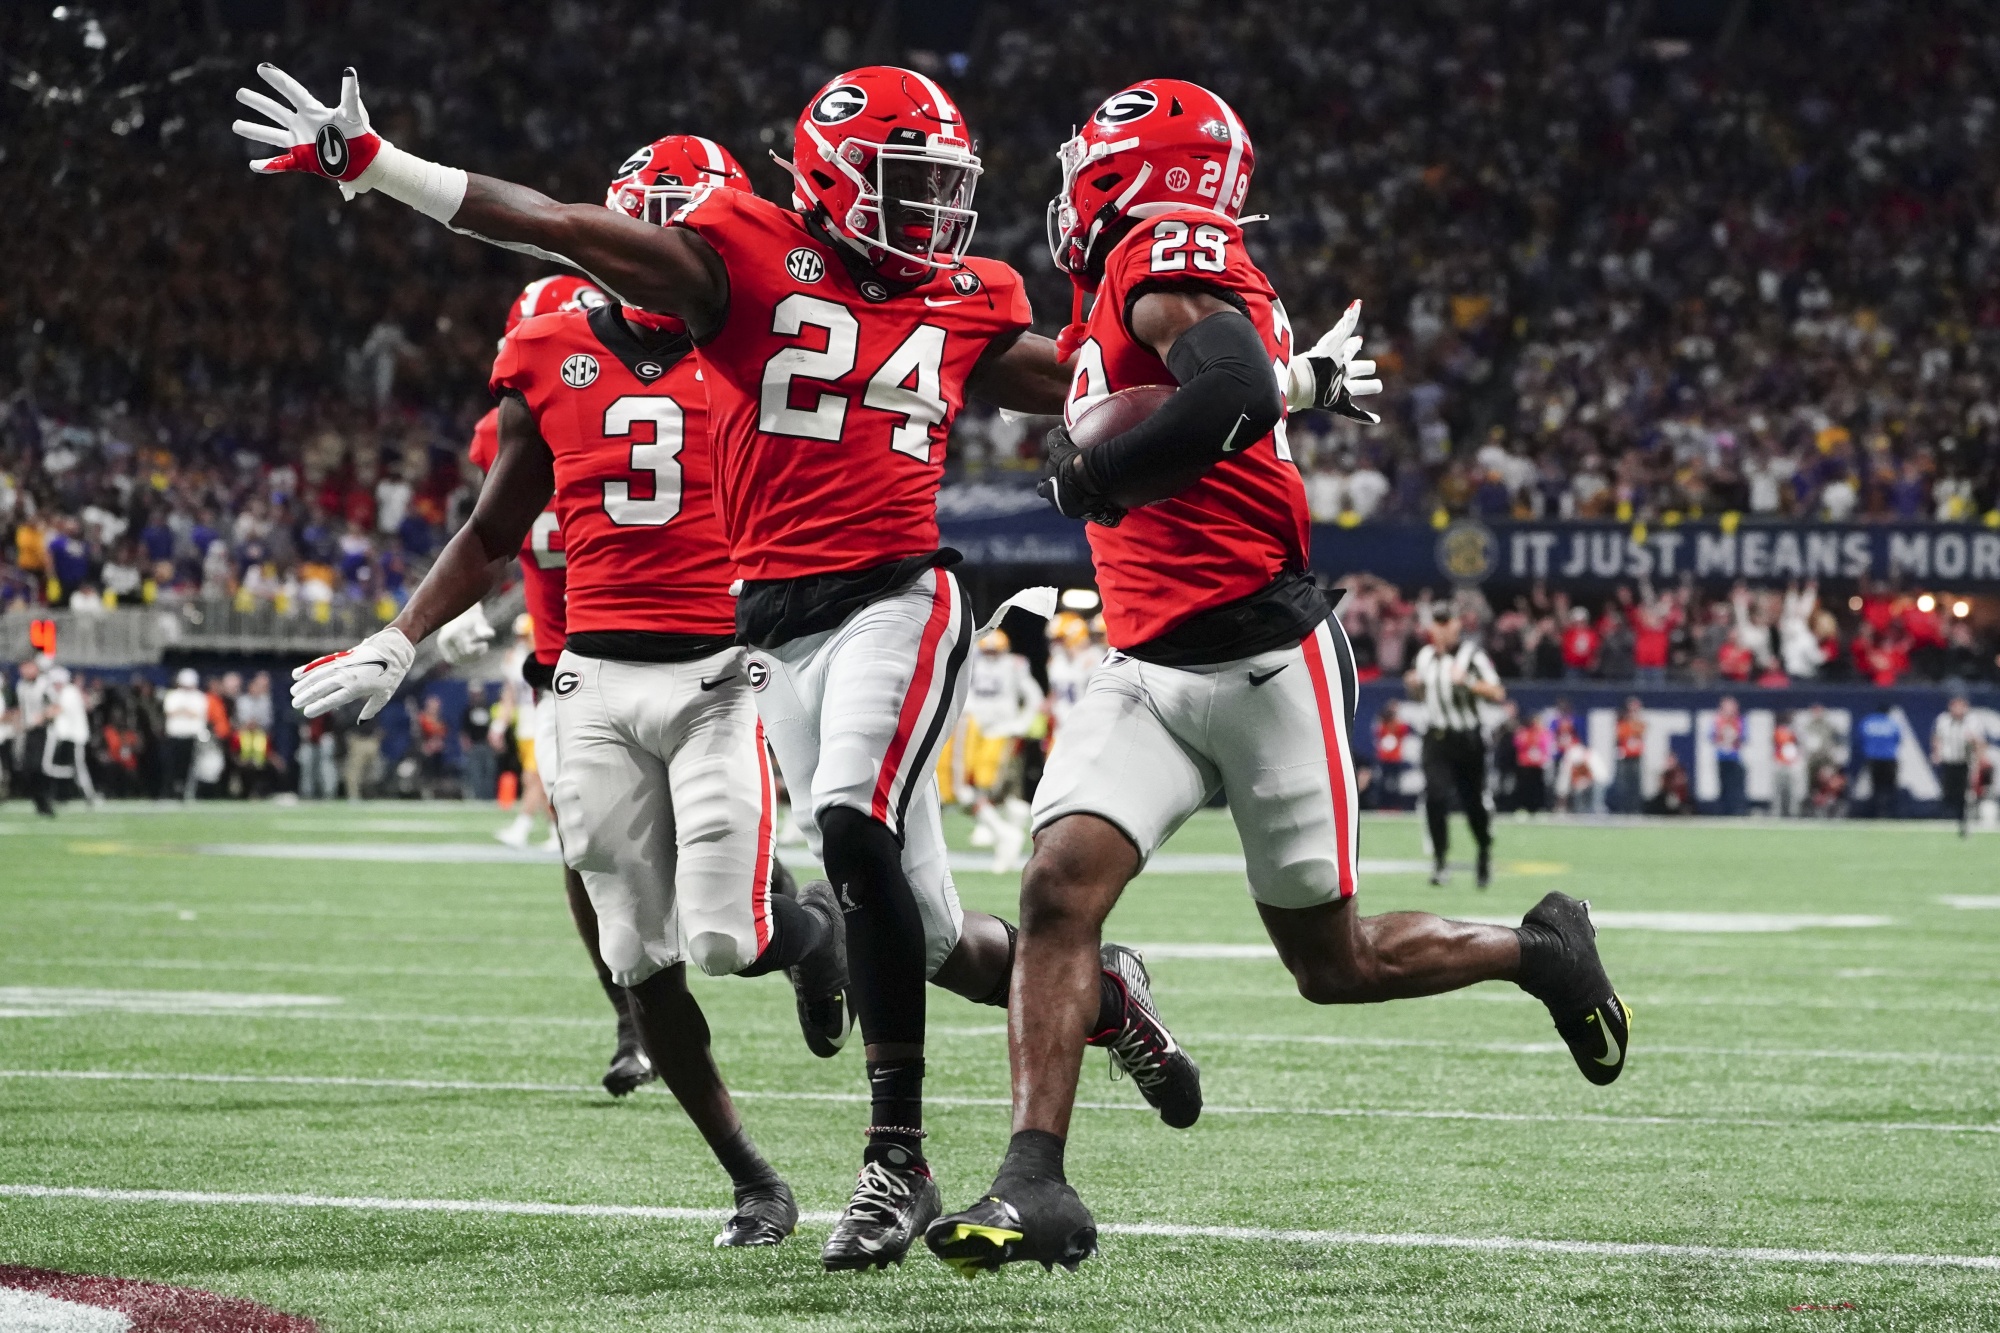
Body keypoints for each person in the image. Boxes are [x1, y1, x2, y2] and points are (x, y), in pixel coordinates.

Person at [235, 62, 1205, 1269]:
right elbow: (548, 222)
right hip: (773, 625)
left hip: (902, 590)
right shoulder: (739, 256)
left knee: (848, 827)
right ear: (828, 178)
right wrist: (379, 165)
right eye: (908, 187)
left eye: (944, 188)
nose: (935, 214)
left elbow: (1096, 381)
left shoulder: (963, 293)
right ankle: (1107, 997)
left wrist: (1272, 373)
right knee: (938, 934)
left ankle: (891, 1162)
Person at [924, 81, 1627, 1276]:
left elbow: (1232, 389)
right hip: (1144, 663)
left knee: (1331, 964)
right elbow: (1240, 386)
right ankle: (1031, 1180)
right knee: (1055, 889)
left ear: (1123, 169)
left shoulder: (1160, 246)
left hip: (1262, 660)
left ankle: (1539, 951)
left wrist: (1096, 479)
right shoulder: (1123, 289)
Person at [1409, 608, 1506, 885]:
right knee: (1435, 797)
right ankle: (1440, 862)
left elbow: (1498, 692)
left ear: (1456, 625)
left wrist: (1469, 682)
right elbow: (1420, 694)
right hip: (1437, 737)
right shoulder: (1425, 656)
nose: (1439, 628)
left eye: (1445, 622)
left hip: (1468, 740)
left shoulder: (1472, 656)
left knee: (1473, 802)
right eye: (1436, 622)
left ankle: (1484, 851)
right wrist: (1413, 685)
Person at [941, 628, 1043, 872]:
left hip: (996, 729)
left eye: (995, 653)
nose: (990, 657)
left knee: (972, 787)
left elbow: (1034, 697)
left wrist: (1021, 724)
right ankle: (999, 828)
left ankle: (1000, 830)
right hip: (972, 727)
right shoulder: (971, 663)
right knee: (962, 789)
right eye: (987, 652)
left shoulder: (1014, 665)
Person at [1931, 694, 1981, 837]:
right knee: (1947, 791)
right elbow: (1936, 737)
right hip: (1949, 761)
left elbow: (1978, 742)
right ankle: (1947, 819)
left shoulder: (1972, 721)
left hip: (1965, 762)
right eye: (1955, 706)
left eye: (1961, 706)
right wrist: (1936, 752)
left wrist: (1977, 757)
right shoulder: (1943, 720)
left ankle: (1964, 821)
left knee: (1965, 794)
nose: (1957, 710)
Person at [161, 667, 209, 803]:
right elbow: (170, 712)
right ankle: (168, 793)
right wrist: (187, 712)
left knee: (189, 768)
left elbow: (197, 714)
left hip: (192, 736)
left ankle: (187, 794)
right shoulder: (173, 696)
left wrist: (183, 711)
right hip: (175, 735)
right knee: (171, 766)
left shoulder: (199, 697)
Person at [1857, 706, 1902, 819]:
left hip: (1872, 758)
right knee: (1889, 787)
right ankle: (1889, 812)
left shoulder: (1868, 721)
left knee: (1875, 787)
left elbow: (1860, 738)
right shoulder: (1891, 722)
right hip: (1889, 758)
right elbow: (1898, 739)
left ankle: (1876, 812)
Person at [459, 682, 498, 800]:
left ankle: (489, 797)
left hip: (487, 745)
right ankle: (478, 797)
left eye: (478, 694)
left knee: (489, 772)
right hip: (475, 745)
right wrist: (466, 745)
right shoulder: (467, 710)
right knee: (476, 773)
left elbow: (494, 727)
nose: (476, 696)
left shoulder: (489, 708)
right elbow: (464, 731)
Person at [1511, 709, 1551, 816]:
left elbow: (1546, 747)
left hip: (1538, 765)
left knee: (1538, 787)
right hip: (1525, 764)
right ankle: (1523, 807)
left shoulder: (1543, 733)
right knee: (1524, 787)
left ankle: (1539, 808)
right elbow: (1517, 744)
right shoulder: (1523, 732)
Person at [1713, 696, 1746, 816]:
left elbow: (1743, 737)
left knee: (1735, 786)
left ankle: (1736, 810)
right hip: (1722, 757)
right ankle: (1724, 810)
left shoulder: (1738, 720)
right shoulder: (1718, 721)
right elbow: (1712, 736)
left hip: (1734, 758)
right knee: (1723, 785)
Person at [1612, 697, 1645, 815]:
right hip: (1625, 756)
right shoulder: (1622, 722)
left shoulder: (1639, 722)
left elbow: (1641, 730)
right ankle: (1623, 809)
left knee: (1635, 783)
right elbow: (1620, 735)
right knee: (1623, 784)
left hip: (1636, 756)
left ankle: (1635, 808)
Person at [1771, 711, 1805, 818]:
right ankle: (1777, 813)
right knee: (1778, 791)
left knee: (1793, 791)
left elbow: (1799, 745)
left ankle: (1793, 813)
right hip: (1780, 763)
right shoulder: (1777, 731)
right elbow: (1776, 745)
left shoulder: (1795, 731)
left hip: (1792, 764)